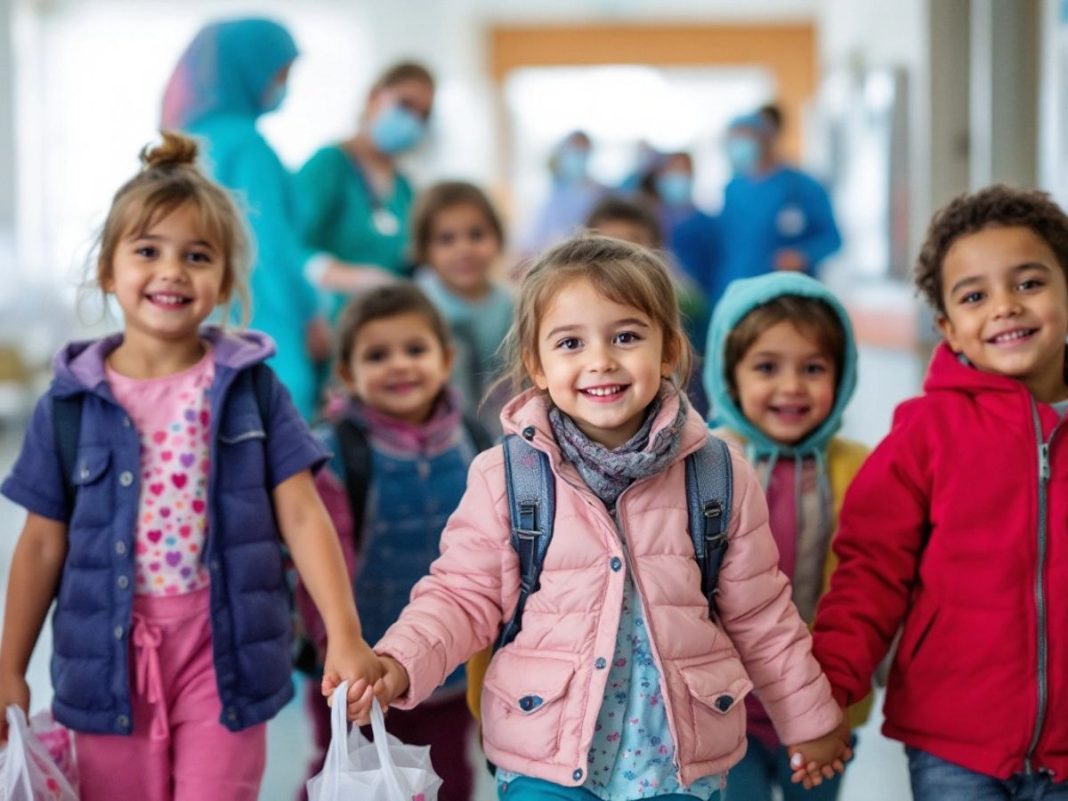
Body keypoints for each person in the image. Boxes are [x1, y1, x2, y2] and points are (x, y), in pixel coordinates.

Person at [336, 235, 852, 800]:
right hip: (543, 752)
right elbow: (462, 595)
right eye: (570, 343)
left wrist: (812, 721)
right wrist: (400, 660)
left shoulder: (720, 474)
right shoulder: (506, 476)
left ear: (669, 350)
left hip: (675, 761)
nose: (600, 360)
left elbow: (761, 614)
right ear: (535, 363)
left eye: (626, 337)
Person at [0, 133, 381, 801]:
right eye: (148, 251)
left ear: (226, 281)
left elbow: (302, 512)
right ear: (108, 271)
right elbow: (38, 545)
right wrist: (9, 665)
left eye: (197, 256)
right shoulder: (69, 403)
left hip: (227, 651)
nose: (172, 271)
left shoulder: (252, 389)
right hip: (105, 659)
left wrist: (344, 634)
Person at [811, 185, 1068, 800]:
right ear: (948, 328)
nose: (1004, 306)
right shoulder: (923, 434)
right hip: (954, 742)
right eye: (975, 296)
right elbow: (869, 574)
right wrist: (826, 694)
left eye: (1028, 283)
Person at [295, 284, 487, 801]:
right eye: (377, 355)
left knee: (448, 778)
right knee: (348, 778)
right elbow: (313, 559)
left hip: (449, 668)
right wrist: (328, 645)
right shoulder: (331, 454)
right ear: (346, 374)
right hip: (354, 673)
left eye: (416, 350)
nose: (400, 365)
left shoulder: (478, 444)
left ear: (446, 359)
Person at [161, 18, 385, 420]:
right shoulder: (248, 148)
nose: (284, 86)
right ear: (248, 70)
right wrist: (310, 316)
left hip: (195, 333)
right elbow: (270, 250)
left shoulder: (181, 144)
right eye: (281, 74)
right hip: (263, 330)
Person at [702, 272, 872, 801]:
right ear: (729, 377)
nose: (792, 386)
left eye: (814, 368)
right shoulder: (705, 464)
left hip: (826, 699)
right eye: (767, 367)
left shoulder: (860, 467)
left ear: (841, 377)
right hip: (725, 706)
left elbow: (877, 581)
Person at [297, 61, 436, 320]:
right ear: (374, 97)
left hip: (386, 325)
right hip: (326, 327)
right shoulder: (330, 164)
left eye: (423, 115)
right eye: (405, 105)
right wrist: (342, 276)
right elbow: (285, 243)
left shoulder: (404, 189)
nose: (413, 121)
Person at [584, 195, 710, 418]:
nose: (618, 256)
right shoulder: (573, 309)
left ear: (656, 249)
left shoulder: (690, 304)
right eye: (607, 243)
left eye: (632, 242)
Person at [412, 181, 513, 436]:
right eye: (446, 239)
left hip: (499, 432)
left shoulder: (513, 304)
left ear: (498, 238)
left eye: (476, 235)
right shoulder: (415, 308)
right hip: (433, 434)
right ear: (425, 249)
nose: (463, 249)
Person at [713, 107, 841, 306]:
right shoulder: (733, 189)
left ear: (766, 139)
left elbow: (833, 238)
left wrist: (803, 255)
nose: (739, 146)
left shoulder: (802, 187)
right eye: (734, 140)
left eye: (746, 138)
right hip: (738, 293)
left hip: (789, 298)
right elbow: (727, 247)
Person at [523, 131, 606, 254]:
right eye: (575, 151)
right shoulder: (553, 191)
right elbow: (534, 237)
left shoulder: (598, 193)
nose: (578, 157)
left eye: (582, 152)